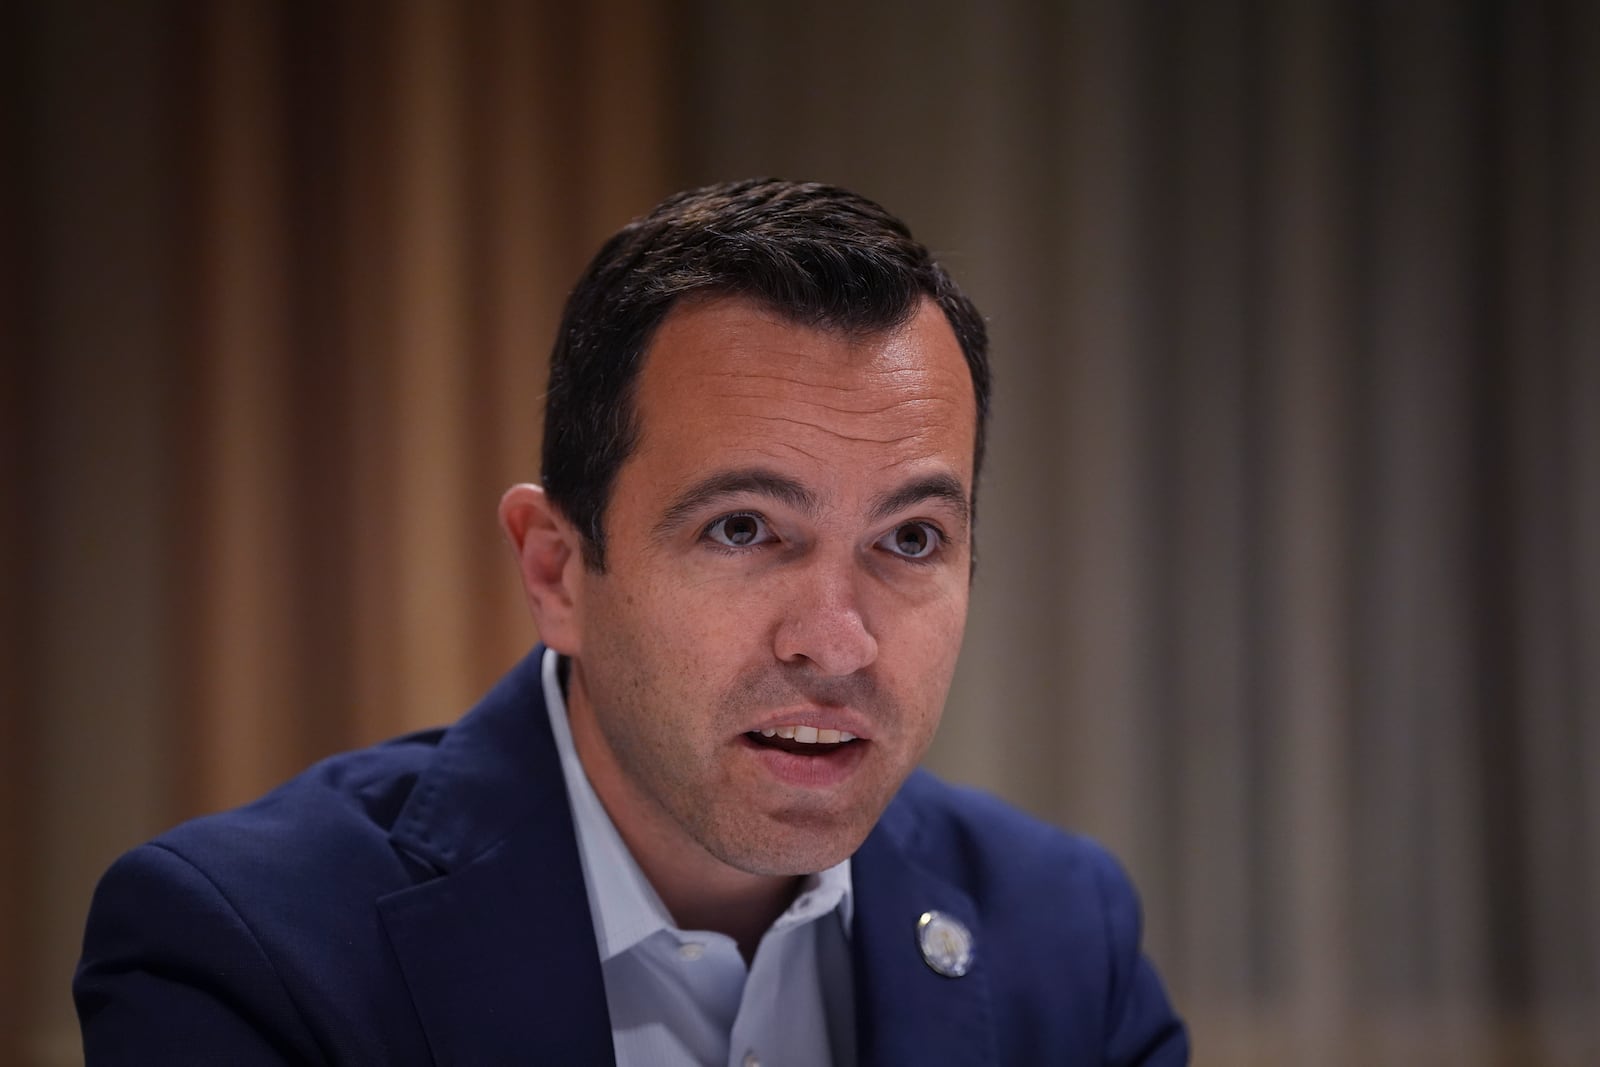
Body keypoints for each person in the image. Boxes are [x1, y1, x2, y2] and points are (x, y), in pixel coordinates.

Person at [75, 178, 1188, 1065]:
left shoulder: (1062, 936)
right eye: (744, 529)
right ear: (557, 570)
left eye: (908, 540)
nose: (838, 641)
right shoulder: (246, 950)